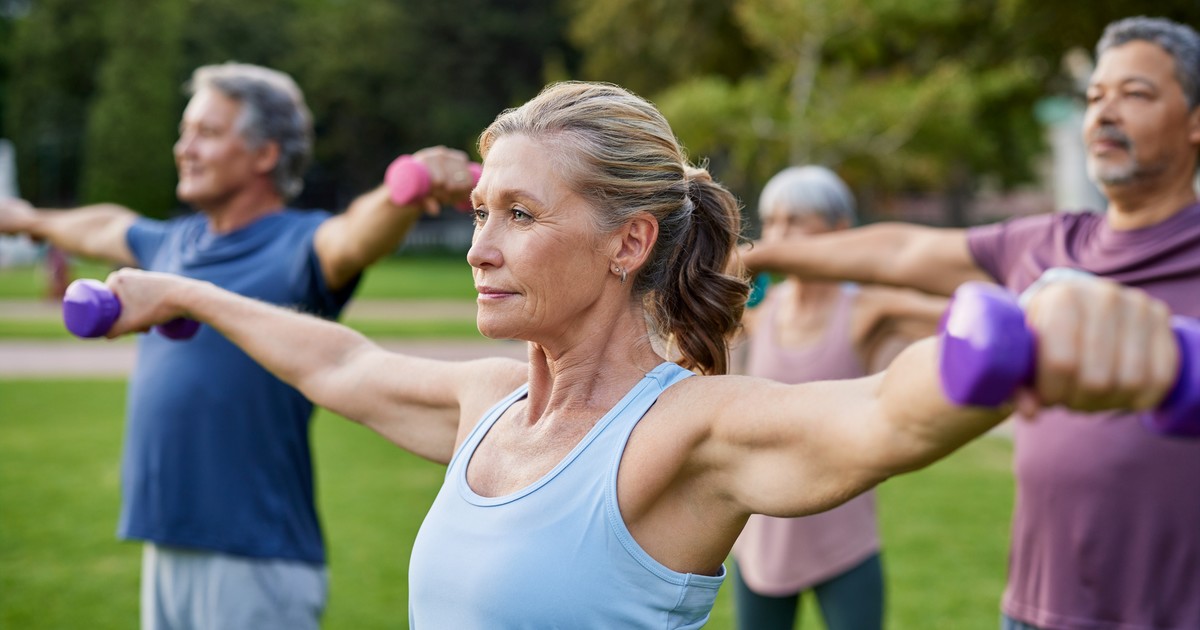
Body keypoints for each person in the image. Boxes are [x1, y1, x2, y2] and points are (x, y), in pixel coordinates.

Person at [97, 81, 1176, 629]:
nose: (479, 248)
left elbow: (884, 414)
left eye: (521, 214)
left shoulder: (686, 433)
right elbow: (339, 364)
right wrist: (186, 293)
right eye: (480, 211)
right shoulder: (486, 407)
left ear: (628, 243)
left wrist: (1031, 333)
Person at [741, 16, 1200, 630]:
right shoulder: (1044, 245)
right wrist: (755, 257)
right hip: (1033, 611)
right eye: (1095, 96)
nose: (1105, 113)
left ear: (1195, 120)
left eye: (1135, 93)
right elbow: (900, 252)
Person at [0, 62, 475, 629]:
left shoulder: (298, 245)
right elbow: (104, 226)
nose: (184, 148)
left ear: (265, 154)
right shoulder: (172, 244)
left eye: (207, 132)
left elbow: (353, 235)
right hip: (167, 540)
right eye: (185, 132)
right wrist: (25, 218)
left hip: (255, 556)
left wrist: (408, 187)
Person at [731, 165, 947, 630]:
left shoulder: (869, 308)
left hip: (844, 535)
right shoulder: (758, 313)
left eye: (795, 222)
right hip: (763, 537)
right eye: (772, 221)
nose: (778, 236)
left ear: (840, 231)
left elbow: (965, 316)